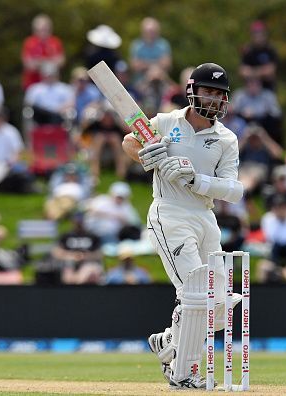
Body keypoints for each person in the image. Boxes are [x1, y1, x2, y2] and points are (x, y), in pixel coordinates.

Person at [122, 63, 243, 389]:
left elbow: (233, 190)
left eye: (221, 94)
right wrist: (145, 152)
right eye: (209, 91)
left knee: (220, 302)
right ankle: (184, 374)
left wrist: (195, 179)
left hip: (205, 217)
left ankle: (169, 341)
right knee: (195, 295)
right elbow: (128, 140)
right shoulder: (165, 122)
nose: (216, 99)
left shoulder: (226, 138)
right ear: (193, 91)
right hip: (170, 213)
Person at [52, 212, 103, 285]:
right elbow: (56, 253)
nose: (79, 224)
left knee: (87, 271)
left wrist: (85, 257)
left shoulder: (92, 236)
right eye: (77, 222)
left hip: (89, 264)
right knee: (68, 274)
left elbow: (99, 254)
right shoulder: (66, 236)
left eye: (80, 222)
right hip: (69, 264)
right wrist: (72, 256)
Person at [21, 14, 65, 90]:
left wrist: (39, 61)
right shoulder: (29, 42)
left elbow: (61, 62)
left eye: (45, 29)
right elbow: (29, 65)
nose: (43, 32)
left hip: (53, 86)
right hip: (32, 85)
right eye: (40, 30)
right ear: (34, 30)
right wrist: (50, 62)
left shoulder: (55, 42)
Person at [129, 17, 172, 83]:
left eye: (152, 32)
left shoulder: (163, 44)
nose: (150, 34)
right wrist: (155, 66)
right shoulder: (136, 45)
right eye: (148, 31)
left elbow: (167, 64)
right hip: (141, 83)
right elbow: (134, 66)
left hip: (161, 80)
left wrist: (145, 64)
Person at [239, 20, 278, 91]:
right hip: (250, 91)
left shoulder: (270, 50)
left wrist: (251, 72)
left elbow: (270, 72)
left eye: (260, 33)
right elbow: (243, 72)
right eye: (255, 34)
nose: (258, 36)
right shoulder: (248, 51)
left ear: (264, 34)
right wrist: (262, 72)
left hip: (267, 90)